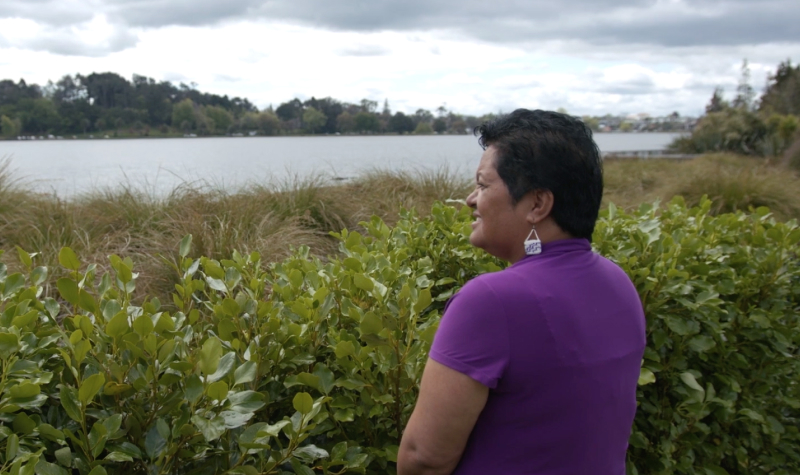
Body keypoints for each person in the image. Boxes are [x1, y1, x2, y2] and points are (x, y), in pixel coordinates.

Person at [397, 109, 646, 475]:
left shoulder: (491, 301)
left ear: (537, 204)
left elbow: (424, 458)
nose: (470, 199)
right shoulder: (618, 283)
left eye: (483, 185)